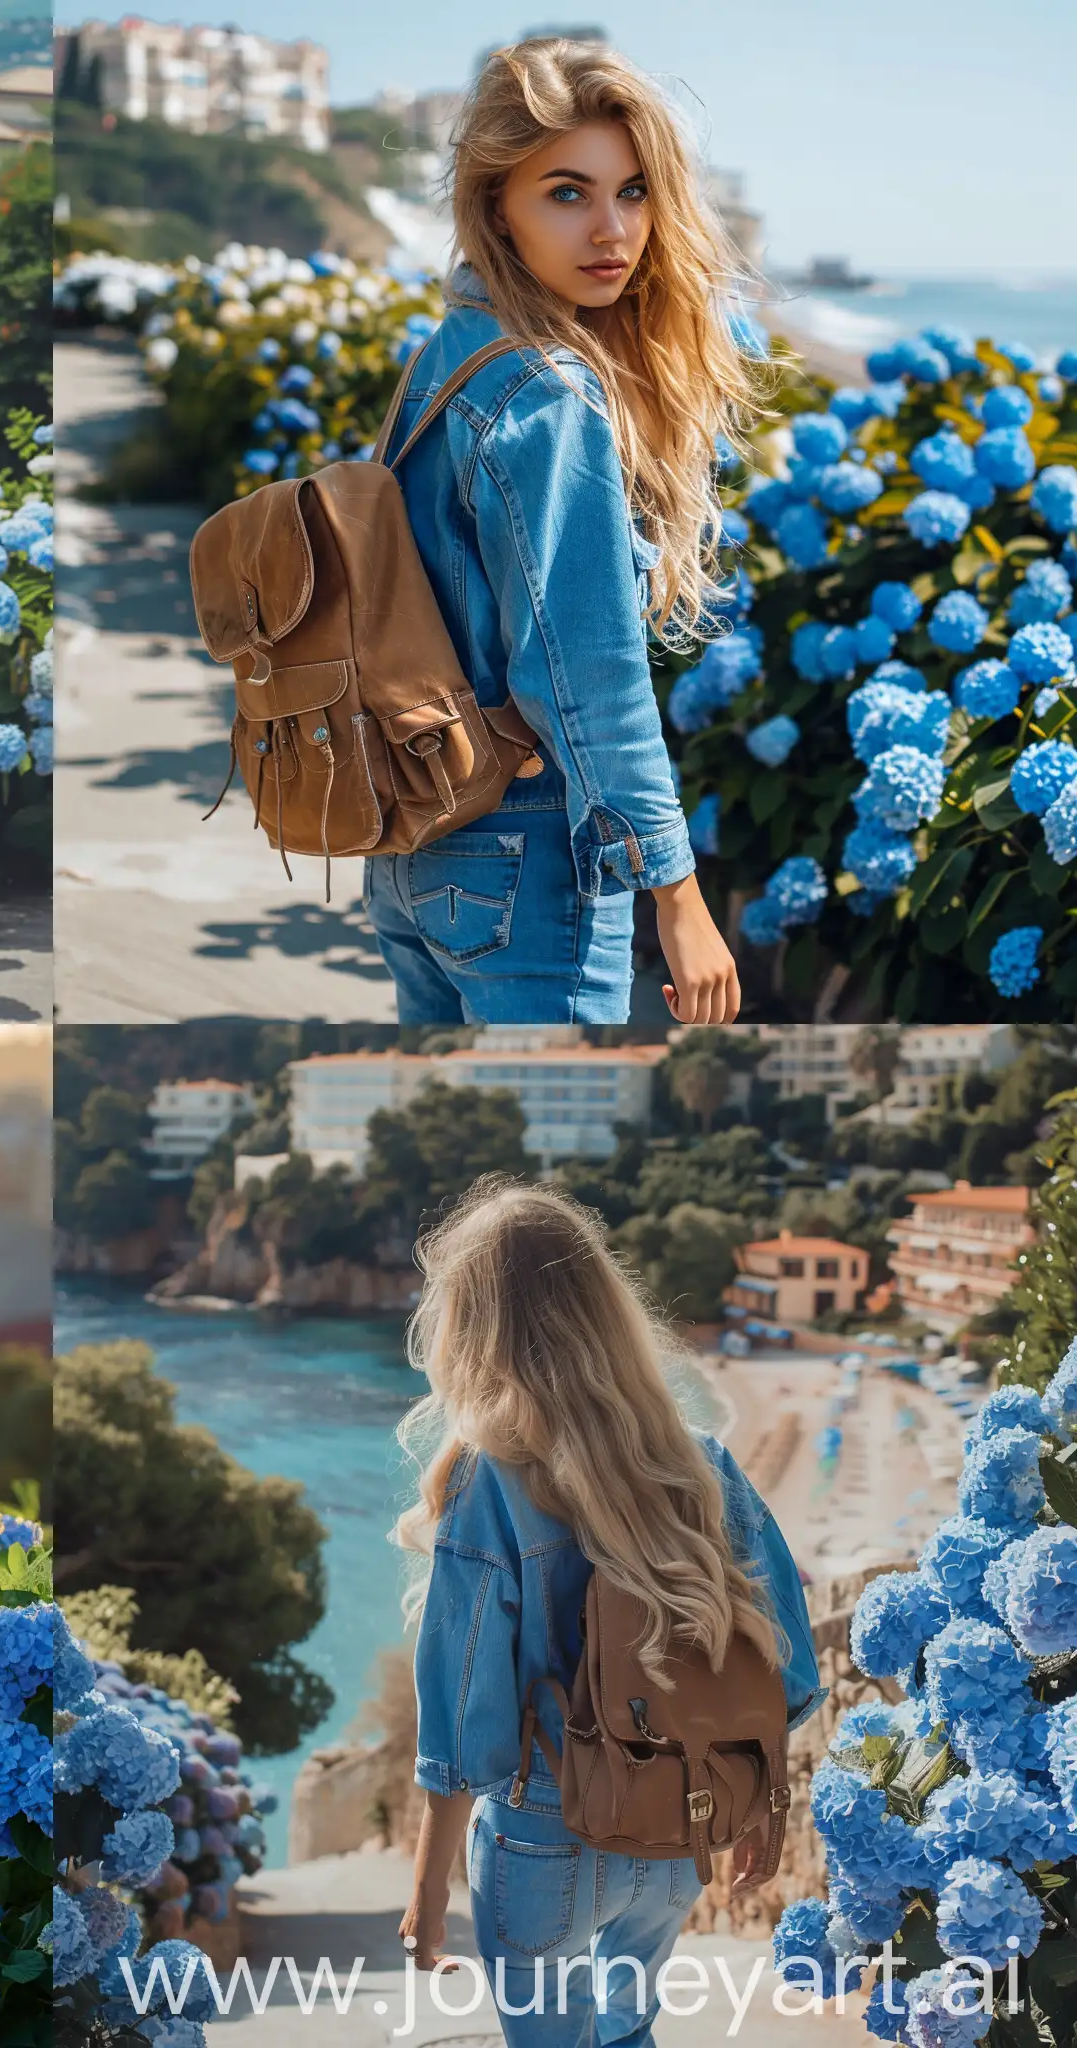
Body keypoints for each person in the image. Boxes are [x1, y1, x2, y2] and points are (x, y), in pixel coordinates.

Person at [363, 38, 751, 1026]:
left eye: (632, 193)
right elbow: (584, 673)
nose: (610, 230)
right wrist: (677, 894)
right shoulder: (547, 393)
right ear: (499, 202)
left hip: (410, 846)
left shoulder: (446, 356)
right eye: (566, 193)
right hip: (525, 856)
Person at [393, 1178, 819, 2046]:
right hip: (678, 1828)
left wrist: (429, 1891)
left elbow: (462, 1713)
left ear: (472, 1331)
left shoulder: (488, 1483)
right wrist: (762, 1801)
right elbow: (788, 1665)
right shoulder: (701, 1466)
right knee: (630, 2033)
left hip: (546, 1835)